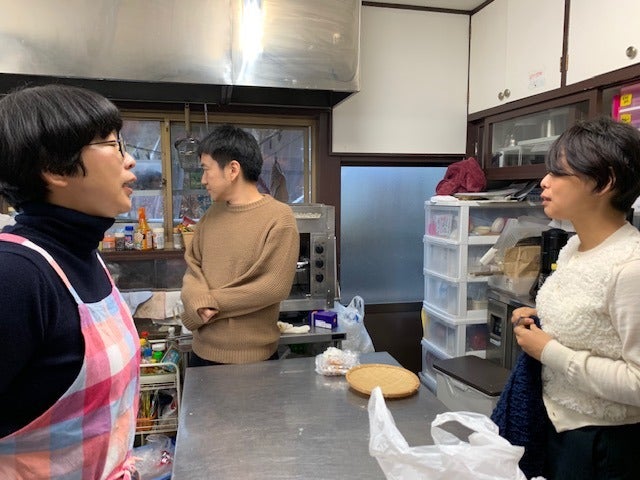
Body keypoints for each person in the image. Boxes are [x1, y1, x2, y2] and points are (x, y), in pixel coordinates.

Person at [0, 84, 140, 479]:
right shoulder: (15, 276)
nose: (130, 159)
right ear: (56, 168)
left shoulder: (83, 254)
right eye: (112, 145)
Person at [512, 116, 640, 480]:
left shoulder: (630, 267)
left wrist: (548, 350)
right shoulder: (573, 248)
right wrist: (536, 319)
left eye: (558, 172)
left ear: (604, 182)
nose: (544, 181)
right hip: (556, 426)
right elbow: (592, 324)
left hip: (603, 445)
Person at [180, 124, 299, 366]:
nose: (203, 180)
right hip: (201, 353)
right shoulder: (211, 214)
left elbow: (273, 287)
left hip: (255, 360)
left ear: (233, 169)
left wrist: (207, 304)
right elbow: (193, 270)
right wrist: (198, 304)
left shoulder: (279, 217)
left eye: (206, 170)